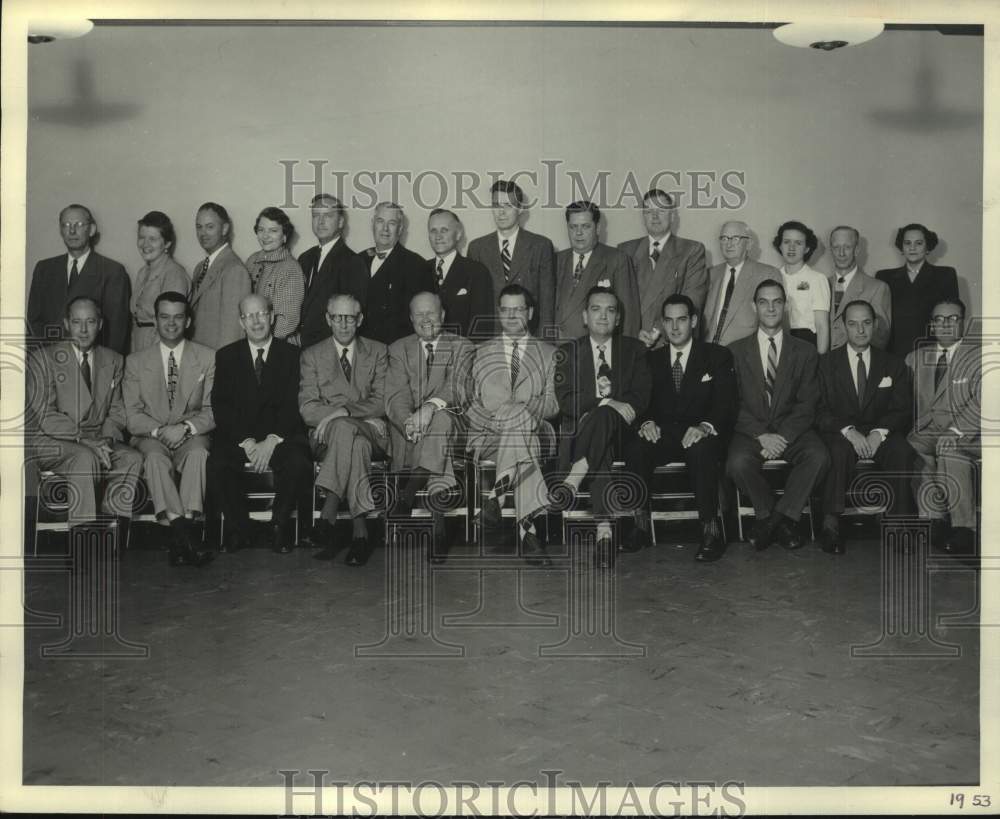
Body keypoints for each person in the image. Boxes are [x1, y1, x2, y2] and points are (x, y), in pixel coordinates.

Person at [623, 294, 738, 562]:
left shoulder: (716, 356)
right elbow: (641, 401)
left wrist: (705, 426)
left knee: (703, 450)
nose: (675, 328)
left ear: (694, 322)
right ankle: (639, 526)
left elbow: (726, 403)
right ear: (663, 324)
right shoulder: (651, 359)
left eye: (682, 320)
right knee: (636, 447)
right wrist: (646, 422)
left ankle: (710, 531)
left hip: (699, 434)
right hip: (664, 434)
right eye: (669, 321)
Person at [726, 279, 830, 551]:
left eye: (777, 302)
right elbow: (730, 403)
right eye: (763, 302)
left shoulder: (805, 351)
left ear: (785, 306)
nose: (770, 308)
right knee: (736, 462)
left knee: (818, 457)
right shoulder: (734, 351)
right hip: (752, 430)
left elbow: (808, 403)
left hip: (792, 431)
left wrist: (782, 436)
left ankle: (772, 522)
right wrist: (761, 435)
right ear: (754, 307)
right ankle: (778, 519)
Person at [26, 297, 142, 538]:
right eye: (77, 322)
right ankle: (82, 539)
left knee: (132, 457)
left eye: (90, 321)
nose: (83, 329)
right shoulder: (43, 359)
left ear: (100, 324)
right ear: (66, 324)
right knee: (84, 457)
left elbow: (118, 410)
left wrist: (107, 441)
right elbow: (46, 415)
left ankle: (114, 531)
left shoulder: (114, 360)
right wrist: (83, 440)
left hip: (99, 438)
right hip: (53, 440)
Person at [207, 294, 312, 555]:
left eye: (262, 314)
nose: (256, 321)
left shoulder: (293, 355)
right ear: (241, 322)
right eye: (249, 316)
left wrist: (272, 440)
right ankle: (239, 529)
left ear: (272, 317)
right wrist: (247, 441)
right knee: (217, 463)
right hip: (241, 438)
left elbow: (294, 404)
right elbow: (221, 405)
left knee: (298, 462)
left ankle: (279, 526)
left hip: (280, 436)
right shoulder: (226, 356)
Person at [554, 287, 651, 564]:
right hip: (586, 433)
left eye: (610, 310)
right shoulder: (568, 352)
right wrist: (607, 403)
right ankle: (604, 533)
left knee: (604, 421)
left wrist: (607, 409)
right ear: (585, 316)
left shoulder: (634, 349)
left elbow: (641, 397)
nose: (603, 315)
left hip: (625, 433)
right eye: (596, 309)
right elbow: (566, 399)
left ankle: (574, 478)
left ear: (618, 318)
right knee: (601, 432)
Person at [466, 284, 559, 565]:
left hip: (537, 431)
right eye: (505, 310)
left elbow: (553, 404)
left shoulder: (549, 353)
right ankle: (527, 535)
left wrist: (522, 410)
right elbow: (471, 405)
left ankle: (496, 497)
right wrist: (500, 419)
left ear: (529, 313)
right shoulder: (481, 352)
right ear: (498, 313)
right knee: (520, 440)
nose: (511, 315)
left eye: (518, 309)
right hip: (489, 436)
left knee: (519, 426)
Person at [122, 291, 215, 568]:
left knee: (199, 454)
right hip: (152, 437)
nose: (171, 324)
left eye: (178, 317)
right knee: (154, 459)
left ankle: (179, 538)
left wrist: (185, 428)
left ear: (187, 321)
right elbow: (132, 415)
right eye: (164, 317)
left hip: (192, 435)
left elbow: (213, 410)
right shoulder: (136, 362)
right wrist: (162, 431)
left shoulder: (208, 357)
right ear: (156, 320)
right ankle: (185, 534)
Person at [816, 300, 914, 554]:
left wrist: (877, 434)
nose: (860, 330)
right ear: (843, 327)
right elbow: (820, 410)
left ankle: (898, 523)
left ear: (875, 325)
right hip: (842, 432)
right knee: (836, 451)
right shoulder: (825, 364)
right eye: (853, 324)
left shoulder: (893, 364)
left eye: (866, 323)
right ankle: (831, 523)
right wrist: (849, 431)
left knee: (902, 450)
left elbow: (902, 410)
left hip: (879, 430)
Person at [298, 294, 389, 567]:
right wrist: (342, 419)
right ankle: (360, 534)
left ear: (360, 320)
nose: (344, 324)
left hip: (371, 433)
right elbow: (307, 408)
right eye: (337, 317)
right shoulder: (311, 355)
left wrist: (344, 412)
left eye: (350, 318)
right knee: (353, 442)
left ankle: (328, 514)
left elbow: (383, 399)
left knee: (346, 428)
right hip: (329, 436)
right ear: (328, 319)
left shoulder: (379, 351)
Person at [385, 292, 475, 562]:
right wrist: (408, 420)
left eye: (431, 313)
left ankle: (409, 492)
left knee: (443, 420)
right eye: (419, 314)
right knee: (437, 437)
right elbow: (396, 394)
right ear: (411, 318)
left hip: (454, 425)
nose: (426, 319)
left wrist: (430, 407)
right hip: (411, 430)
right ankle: (439, 528)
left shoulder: (462, 346)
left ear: (443, 315)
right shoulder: (398, 348)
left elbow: (458, 387)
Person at [906, 297, 980, 556]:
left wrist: (956, 430)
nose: (946, 324)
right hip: (928, 429)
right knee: (909, 448)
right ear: (931, 325)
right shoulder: (914, 358)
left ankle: (964, 528)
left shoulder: (979, 356)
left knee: (949, 450)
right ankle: (933, 519)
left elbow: (986, 401)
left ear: (963, 322)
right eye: (939, 319)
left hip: (970, 433)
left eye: (952, 319)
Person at [27, 204, 131, 354]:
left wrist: (104, 370)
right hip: (50, 363)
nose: (72, 231)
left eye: (79, 224)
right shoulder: (44, 269)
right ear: (60, 230)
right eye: (66, 225)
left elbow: (116, 331)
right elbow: (34, 323)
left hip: (91, 364)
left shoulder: (112, 271)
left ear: (92, 230)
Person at [617, 189, 707, 347]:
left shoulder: (692, 250)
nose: (655, 216)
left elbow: (692, 300)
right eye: (649, 211)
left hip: (670, 342)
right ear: (643, 217)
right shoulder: (625, 250)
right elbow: (618, 301)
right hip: (630, 342)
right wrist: (633, 332)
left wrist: (657, 331)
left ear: (672, 216)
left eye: (661, 210)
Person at [337, 202, 435, 345]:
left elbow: (420, 318)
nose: (385, 229)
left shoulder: (416, 265)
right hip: (358, 349)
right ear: (372, 224)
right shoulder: (356, 260)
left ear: (400, 229)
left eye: (392, 223)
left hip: (394, 351)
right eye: (380, 221)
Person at [467, 179, 555, 333]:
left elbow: (547, 304)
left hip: (529, 337)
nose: (501, 212)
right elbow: (472, 305)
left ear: (520, 209)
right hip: (490, 339)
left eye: (508, 205)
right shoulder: (477, 248)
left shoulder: (541, 246)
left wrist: (544, 344)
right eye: (496, 205)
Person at [554, 201, 640, 339]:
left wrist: (625, 355)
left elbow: (629, 318)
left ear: (598, 228)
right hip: (558, 349)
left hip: (596, 351)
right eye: (573, 227)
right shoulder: (556, 259)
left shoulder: (617, 259)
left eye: (586, 226)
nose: (578, 233)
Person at [876, 223, 960, 359]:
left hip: (931, 350)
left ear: (928, 247)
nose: (912, 248)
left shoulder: (945, 275)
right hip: (895, 352)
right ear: (901, 247)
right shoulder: (884, 277)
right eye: (907, 243)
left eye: (919, 243)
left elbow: (952, 319)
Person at [292, 194, 359, 349]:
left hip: (328, 350)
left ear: (341, 222)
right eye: (316, 216)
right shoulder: (305, 258)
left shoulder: (352, 262)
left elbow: (349, 319)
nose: (320, 222)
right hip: (298, 348)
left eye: (328, 216)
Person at [702, 221, 779, 347]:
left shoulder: (767, 274)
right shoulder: (709, 274)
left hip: (745, 354)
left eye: (735, 238)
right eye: (724, 238)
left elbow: (773, 324)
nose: (729, 243)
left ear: (748, 244)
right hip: (708, 353)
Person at [189, 202, 252, 350]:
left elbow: (232, 333)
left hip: (215, 360)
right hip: (196, 357)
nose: (203, 233)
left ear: (224, 228)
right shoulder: (199, 268)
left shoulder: (234, 270)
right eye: (199, 227)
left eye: (210, 227)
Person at [426, 209, 494, 340]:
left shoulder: (477, 271)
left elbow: (481, 327)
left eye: (444, 230)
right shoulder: (421, 269)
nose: (438, 236)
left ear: (458, 234)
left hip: (463, 354)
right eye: (433, 231)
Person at [129, 211, 191, 353]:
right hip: (139, 342)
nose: (145, 244)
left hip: (160, 346)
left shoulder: (174, 274)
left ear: (167, 243)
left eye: (153, 239)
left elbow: (172, 325)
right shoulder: (142, 272)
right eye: (141, 237)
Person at [245, 206, 305, 341]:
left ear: (284, 236)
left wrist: (261, 341)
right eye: (261, 230)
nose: (265, 236)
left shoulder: (290, 268)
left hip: (277, 342)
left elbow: (287, 321)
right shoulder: (252, 260)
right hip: (252, 339)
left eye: (273, 231)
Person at [827, 226, 891, 350]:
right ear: (831, 250)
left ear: (856, 250)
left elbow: (880, 337)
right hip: (824, 364)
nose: (841, 253)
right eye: (836, 247)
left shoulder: (878, 288)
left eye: (847, 247)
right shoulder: (821, 284)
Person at [773, 220, 830, 352]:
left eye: (798, 243)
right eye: (787, 242)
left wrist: (820, 360)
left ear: (807, 248)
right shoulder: (773, 277)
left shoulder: (817, 279)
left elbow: (822, 326)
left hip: (806, 341)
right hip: (778, 339)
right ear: (780, 246)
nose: (791, 248)